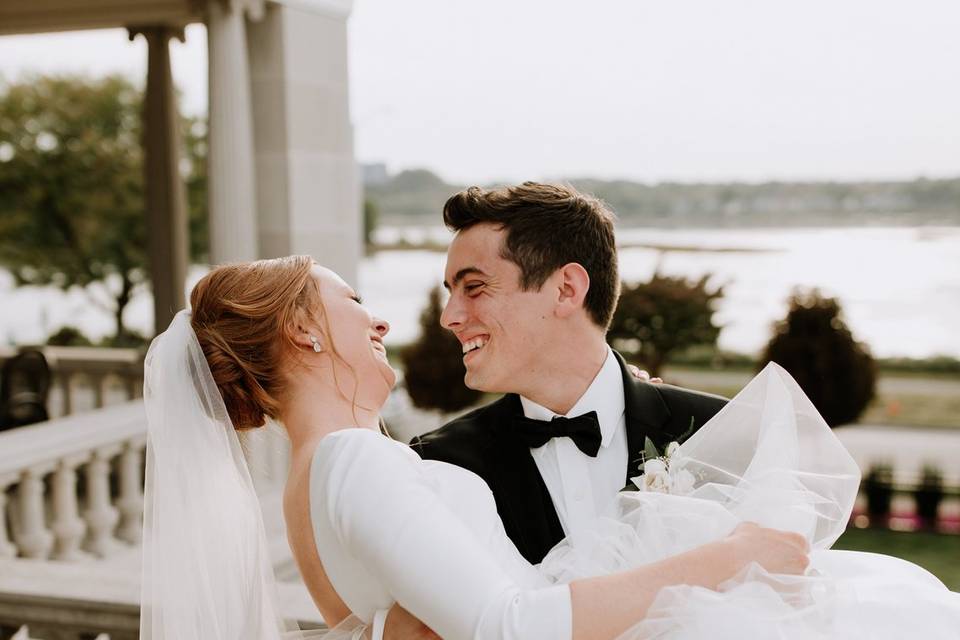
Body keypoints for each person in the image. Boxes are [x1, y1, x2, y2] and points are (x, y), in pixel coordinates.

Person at [140, 255, 812, 640]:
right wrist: (727, 557)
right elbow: (506, 626)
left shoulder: (309, 482)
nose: (378, 318)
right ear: (303, 331)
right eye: (352, 300)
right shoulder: (353, 460)